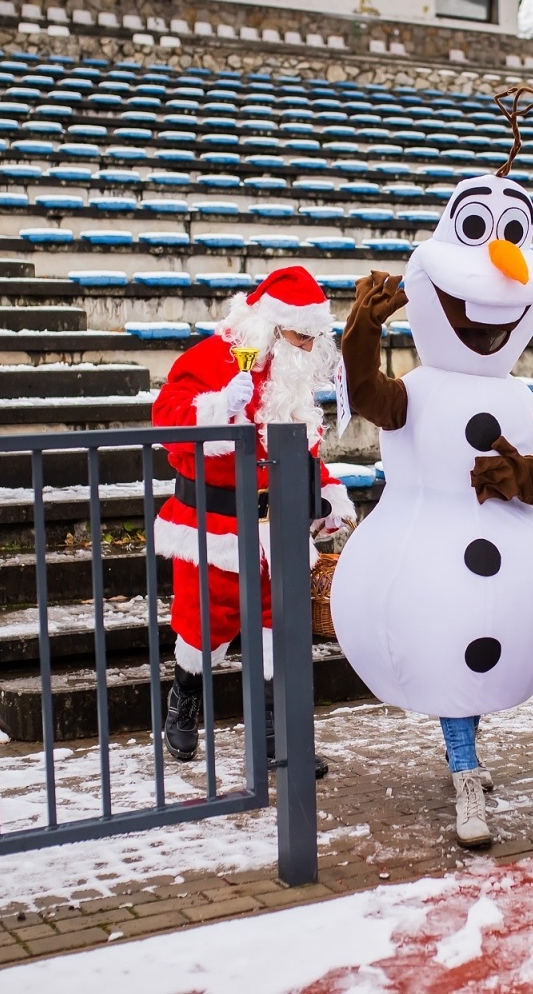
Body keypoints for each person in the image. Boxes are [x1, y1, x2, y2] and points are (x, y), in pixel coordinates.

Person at [152, 266, 354, 779]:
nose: (309, 348)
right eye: (300, 336)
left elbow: (304, 446)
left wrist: (326, 492)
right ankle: (184, 699)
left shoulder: (289, 376)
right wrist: (218, 409)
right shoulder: (211, 357)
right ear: (270, 326)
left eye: (314, 338)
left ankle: (274, 736)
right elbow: (166, 417)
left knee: (276, 629)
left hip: (275, 528)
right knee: (203, 625)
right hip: (213, 523)